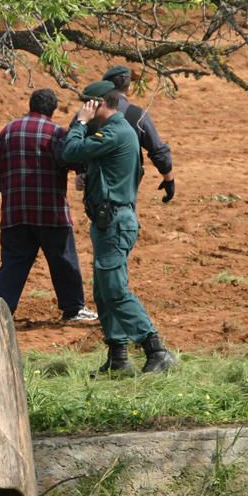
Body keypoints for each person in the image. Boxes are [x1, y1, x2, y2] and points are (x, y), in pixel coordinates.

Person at [61, 83, 177, 373]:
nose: (82, 109)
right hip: (107, 221)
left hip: (114, 222)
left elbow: (71, 151)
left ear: (99, 104)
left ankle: (155, 348)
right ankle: (118, 357)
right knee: (103, 291)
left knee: (115, 289)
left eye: (86, 104)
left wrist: (80, 123)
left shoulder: (115, 130)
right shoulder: (115, 131)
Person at [0, 89, 97, 322]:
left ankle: (1, 312)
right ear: (53, 110)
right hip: (51, 213)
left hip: (16, 213)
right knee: (64, 261)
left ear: (30, 105)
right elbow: (70, 159)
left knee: (13, 264)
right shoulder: (56, 133)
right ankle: (73, 309)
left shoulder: (8, 131)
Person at [97, 65, 175, 202]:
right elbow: (158, 151)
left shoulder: (90, 111)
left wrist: (81, 172)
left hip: (95, 184)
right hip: (126, 186)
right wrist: (169, 179)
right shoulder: (138, 115)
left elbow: (72, 143)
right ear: (128, 87)